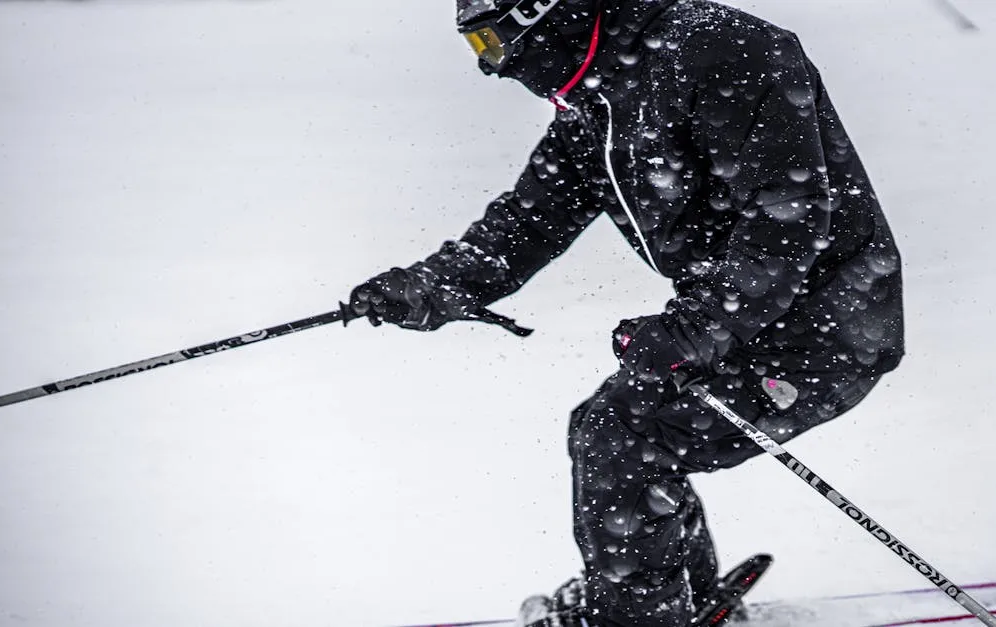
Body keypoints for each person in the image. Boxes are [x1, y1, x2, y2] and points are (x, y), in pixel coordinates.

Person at [347, 0, 905, 625]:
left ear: (545, 15)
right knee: (617, 430)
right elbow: (534, 216)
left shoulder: (716, 49)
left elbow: (788, 213)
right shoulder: (607, 93)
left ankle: (641, 615)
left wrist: (696, 331)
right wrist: (432, 285)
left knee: (622, 437)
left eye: (490, 42)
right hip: (743, 321)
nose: (495, 69)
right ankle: (673, 605)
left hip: (822, 324)